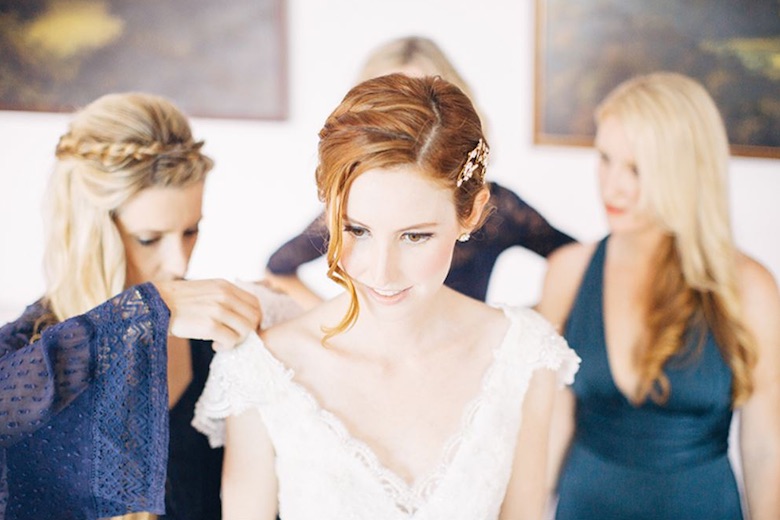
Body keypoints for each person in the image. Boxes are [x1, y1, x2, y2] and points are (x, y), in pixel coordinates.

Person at [193, 73, 580, 520]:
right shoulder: (263, 365)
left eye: (415, 237)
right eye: (357, 230)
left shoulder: (523, 355)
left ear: (470, 214)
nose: (380, 272)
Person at [0, 92, 300, 520]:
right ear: (90, 233)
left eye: (190, 231)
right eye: (149, 238)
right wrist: (138, 313)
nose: (179, 263)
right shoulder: (30, 348)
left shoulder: (213, 340)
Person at [537, 72, 780, 519]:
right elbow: (551, 424)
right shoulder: (567, 273)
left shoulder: (751, 288)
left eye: (636, 169)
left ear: (685, 172)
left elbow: (766, 449)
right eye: (605, 159)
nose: (611, 186)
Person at [264, 35, 574, 308]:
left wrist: (530, 326)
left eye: (416, 236)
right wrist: (338, 322)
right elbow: (278, 268)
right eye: (360, 230)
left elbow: (575, 257)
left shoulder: (500, 207)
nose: (406, 123)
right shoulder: (351, 205)